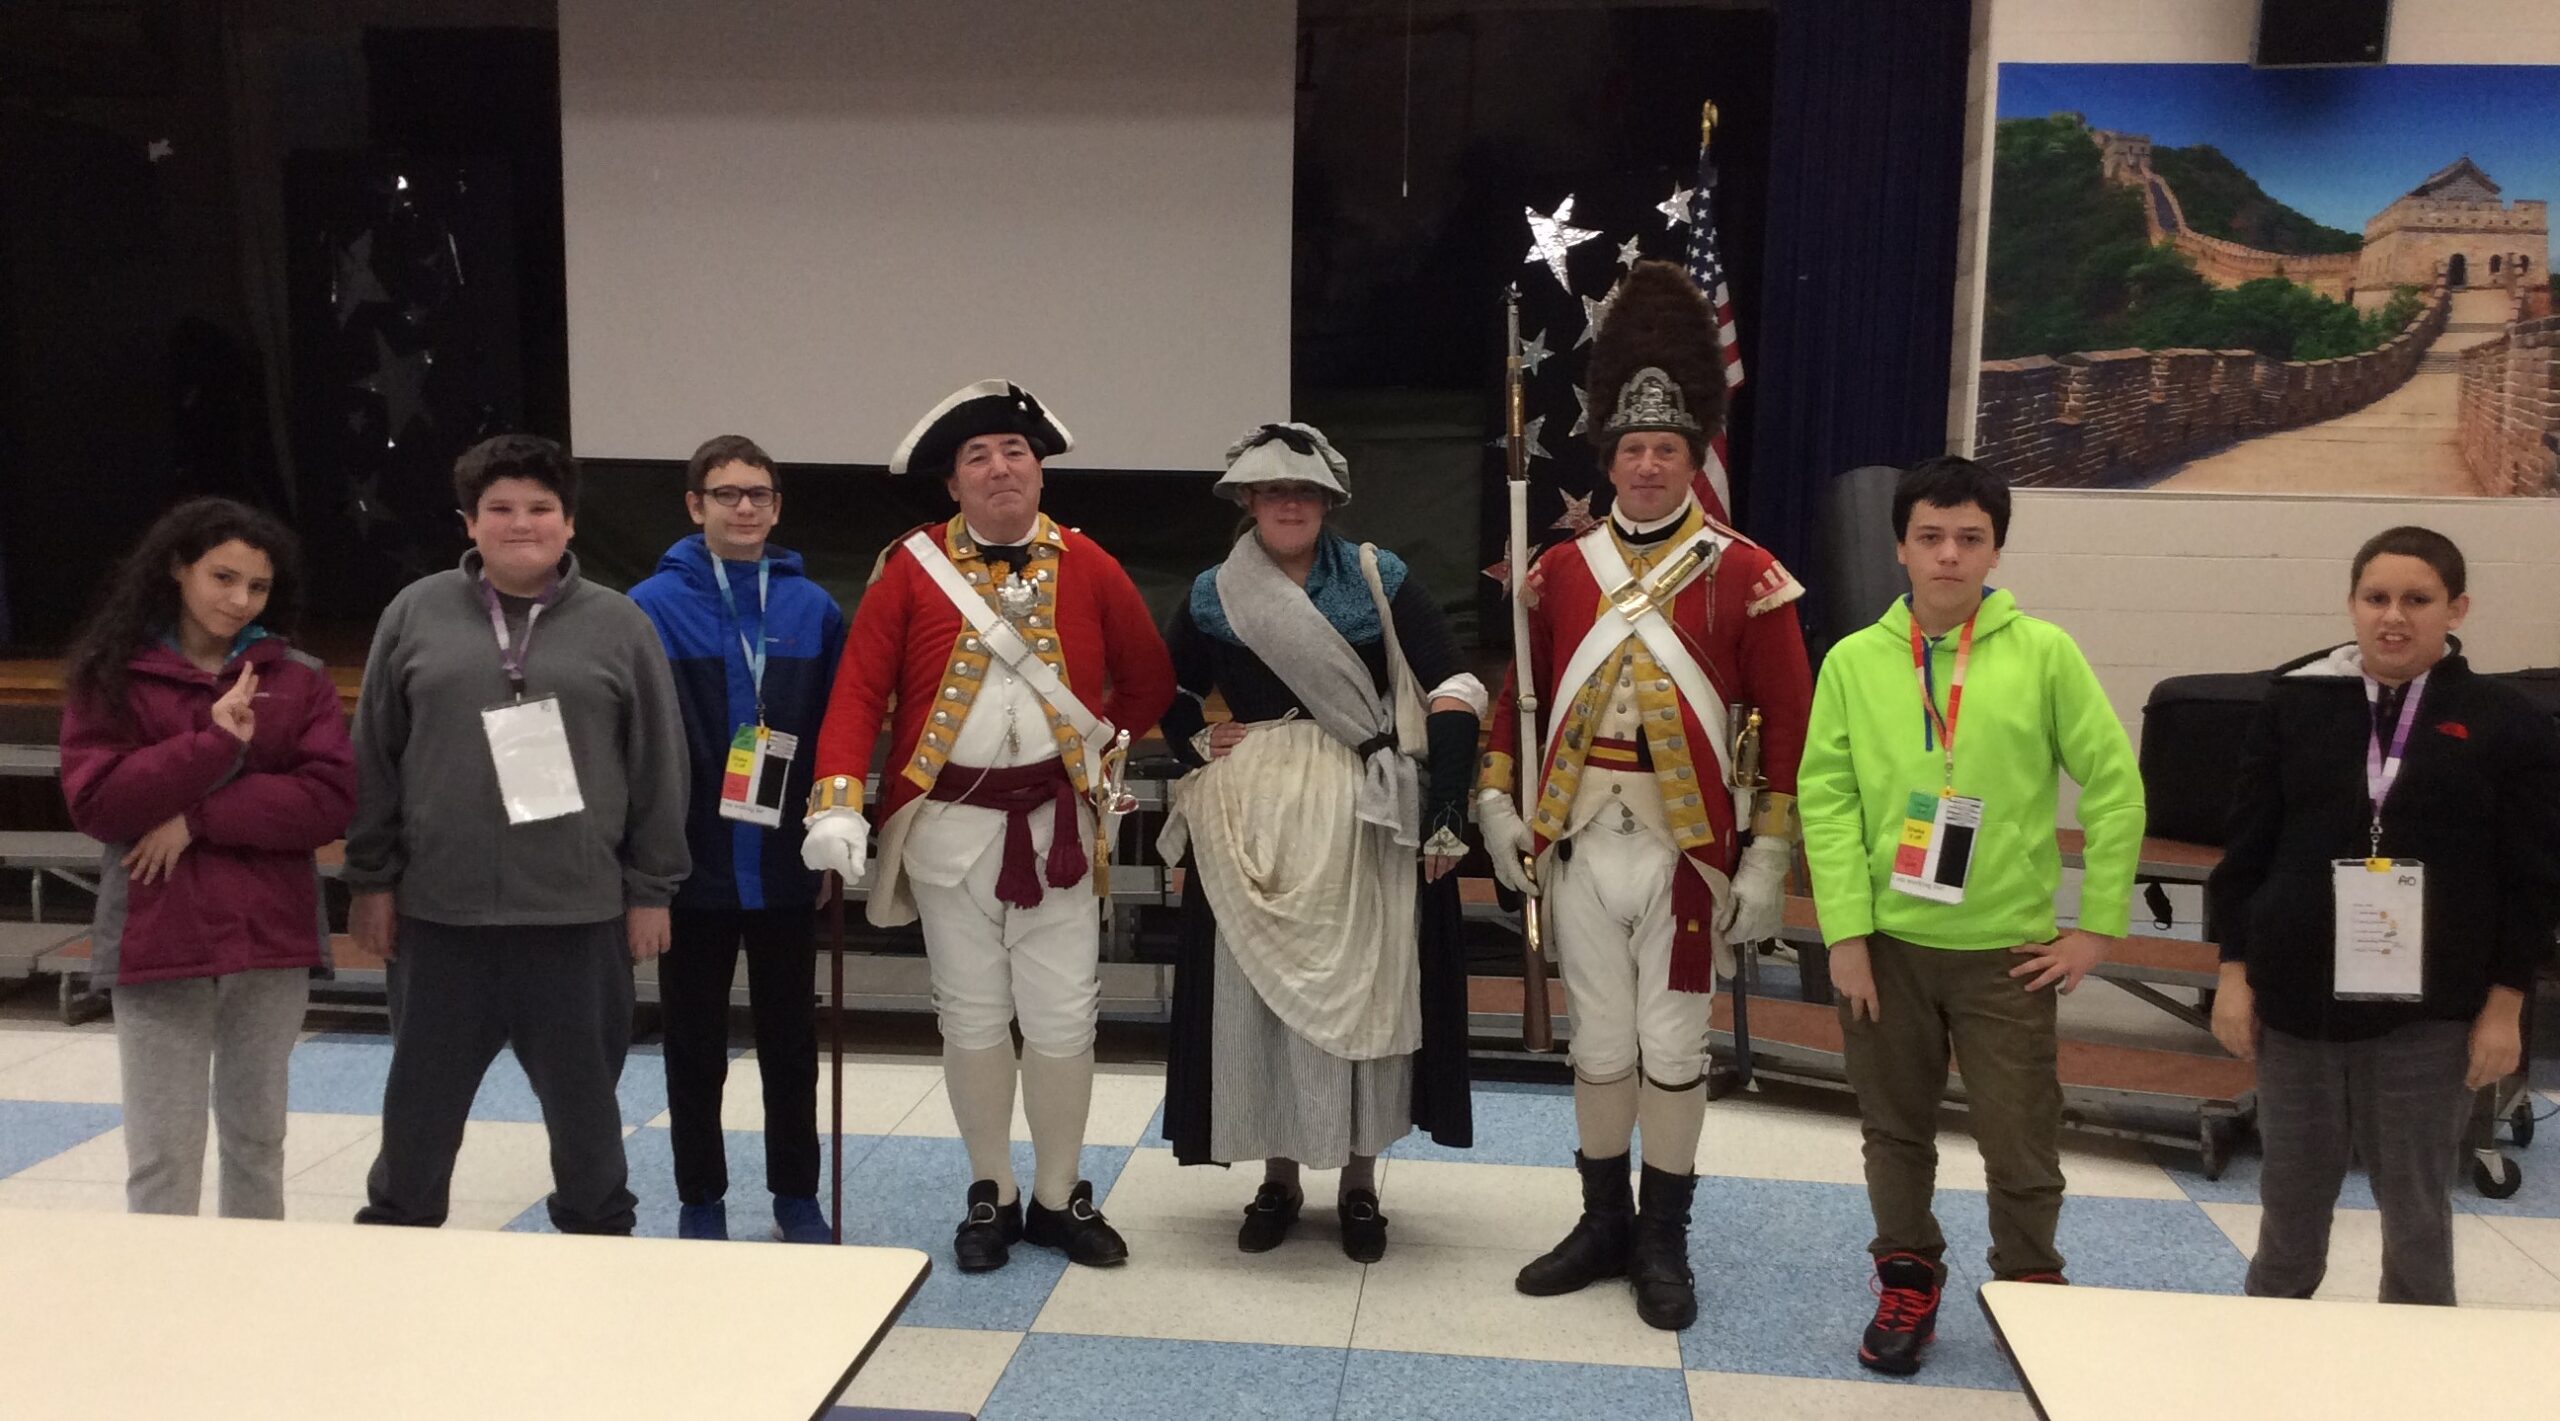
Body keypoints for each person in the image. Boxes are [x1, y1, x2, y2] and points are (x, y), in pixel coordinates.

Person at [1478, 261, 1817, 1331]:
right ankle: (1600, 1221)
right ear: (1611, 459)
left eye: (1667, 449)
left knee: (1672, 1046)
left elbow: (1793, 729)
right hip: (1577, 841)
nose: (1649, 464)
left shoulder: (1744, 571)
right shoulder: (1563, 569)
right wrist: (1496, 806)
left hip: (1683, 855)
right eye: (1632, 449)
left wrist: (1765, 859)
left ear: (1691, 459)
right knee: (1597, 1042)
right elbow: (1516, 699)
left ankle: (1663, 1235)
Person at [803, 381, 1174, 1271]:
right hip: (946, 827)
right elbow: (858, 689)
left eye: (1015, 451)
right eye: (978, 456)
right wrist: (838, 798)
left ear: (1039, 472)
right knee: (969, 1016)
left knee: (1064, 1019)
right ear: (953, 484)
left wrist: (1098, 754)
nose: (1000, 466)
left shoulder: (1091, 563)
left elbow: (1149, 679)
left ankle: (1057, 1195)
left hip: (1058, 829)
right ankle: (990, 1190)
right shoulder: (910, 567)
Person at [1797, 454, 2144, 1376]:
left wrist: (2095, 924)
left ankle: (2030, 1282)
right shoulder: (1854, 662)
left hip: (2008, 953)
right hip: (1889, 950)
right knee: (1895, 1129)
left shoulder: (2045, 653)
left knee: (2019, 1135)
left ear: (1996, 549)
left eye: (1970, 538)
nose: (1949, 555)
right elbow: (1825, 801)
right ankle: (1907, 1277)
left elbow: (2113, 786)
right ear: (1900, 547)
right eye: (1931, 537)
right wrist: (1845, 935)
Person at [344, 433, 690, 1236]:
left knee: (587, 1120)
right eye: (500, 508)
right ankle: (396, 1243)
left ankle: (597, 1240)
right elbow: (374, 752)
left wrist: (651, 889)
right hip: (439, 916)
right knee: (417, 1115)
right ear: (469, 522)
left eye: (541, 507)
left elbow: (657, 765)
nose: (521, 522)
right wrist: (371, 879)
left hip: (577, 918)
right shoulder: (415, 611)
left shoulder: (619, 623)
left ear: (569, 523)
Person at [2208, 526, 2560, 1306]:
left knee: (2415, 1214)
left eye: (2416, 599)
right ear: (2353, 605)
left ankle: (2414, 1367)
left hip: (2429, 1014)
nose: (2393, 616)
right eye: (2376, 598)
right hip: (2297, 1006)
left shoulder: (2506, 720)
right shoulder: (2294, 702)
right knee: (2289, 1208)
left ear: (2455, 608)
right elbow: (2248, 851)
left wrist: (2505, 1007)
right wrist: (2234, 973)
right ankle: (2266, 1355)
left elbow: (2532, 879)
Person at [1156, 423, 1481, 1262]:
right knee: (1264, 999)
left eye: (1302, 491)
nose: (1288, 503)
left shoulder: (1378, 577)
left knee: (1367, 989)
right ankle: (1279, 1177)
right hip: (1254, 810)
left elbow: (1454, 681)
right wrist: (1199, 740)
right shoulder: (1214, 592)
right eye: (1271, 491)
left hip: (1360, 805)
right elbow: (1169, 687)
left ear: (1329, 501)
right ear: (1248, 502)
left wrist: (1448, 805)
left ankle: (1360, 1183)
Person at [60, 498, 355, 1218]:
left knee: (258, 1142)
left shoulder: (297, 677)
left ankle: (253, 1305)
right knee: (163, 1155)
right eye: (222, 577)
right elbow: (99, 801)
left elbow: (326, 801)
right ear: (177, 567)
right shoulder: (113, 674)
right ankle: (164, 1313)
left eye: (255, 586)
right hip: (159, 939)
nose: (238, 599)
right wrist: (217, 746)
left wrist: (194, 816)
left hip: (269, 941)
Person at [630, 434, 847, 1243]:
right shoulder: (651, 604)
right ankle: (701, 1197)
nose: (744, 506)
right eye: (726, 494)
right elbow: (637, 744)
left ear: (777, 506)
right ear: (695, 506)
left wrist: (832, 831)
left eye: (758, 493)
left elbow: (838, 733)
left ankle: (796, 1193)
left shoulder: (812, 609)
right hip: (694, 869)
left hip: (787, 866)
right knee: (694, 1047)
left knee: (792, 1042)